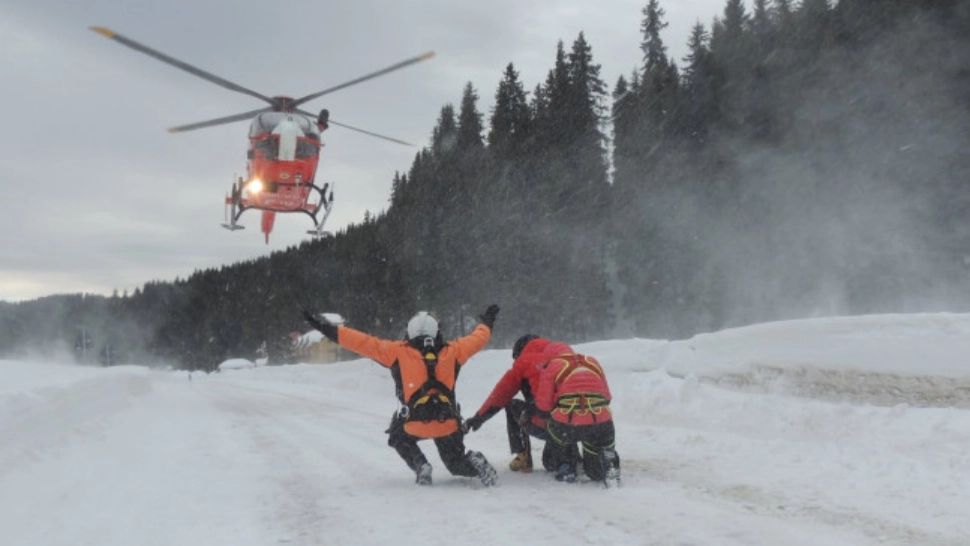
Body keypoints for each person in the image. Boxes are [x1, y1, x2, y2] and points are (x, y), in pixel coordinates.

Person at [303, 305, 500, 487]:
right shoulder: (455, 351)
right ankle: (474, 463)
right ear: (436, 331)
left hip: (413, 423)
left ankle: (420, 465)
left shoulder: (396, 352)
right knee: (455, 464)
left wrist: (326, 328)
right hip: (447, 423)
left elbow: (361, 342)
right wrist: (487, 323)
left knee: (397, 435)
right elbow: (479, 339)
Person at [462, 334, 559, 473]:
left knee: (511, 404)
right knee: (554, 459)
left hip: (546, 422)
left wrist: (478, 418)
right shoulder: (564, 355)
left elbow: (500, 396)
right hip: (575, 422)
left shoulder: (524, 361)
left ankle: (523, 456)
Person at [535, 341, 620, 486]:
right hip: (602, 422)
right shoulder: (592, 361)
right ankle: (607, 461)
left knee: (555, 432)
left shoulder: (553, 366)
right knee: (594, 473)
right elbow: (607, 397)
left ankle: (566, 465)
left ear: (549, 358)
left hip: (568, 425)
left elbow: (544, 407)